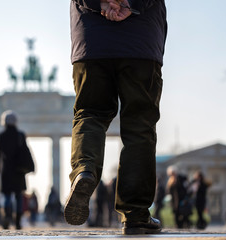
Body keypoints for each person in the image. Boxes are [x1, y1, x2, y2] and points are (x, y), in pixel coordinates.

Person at [64, 0, 167, 235]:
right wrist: (129, 3)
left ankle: (84, 169)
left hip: (92, 42)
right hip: (140, 42)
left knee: (90, 113)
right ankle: (135, 214)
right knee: (139, 125)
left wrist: (101, 2)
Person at [0, 110, 34, 230]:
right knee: (18, 196)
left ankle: (7, 216)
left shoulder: (1, 136)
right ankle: (18, 221)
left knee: (7, 197)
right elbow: (25, 151)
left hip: (6, 170)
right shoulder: (20, 135)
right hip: (19, 170)